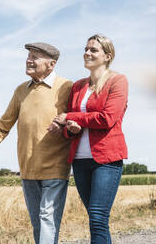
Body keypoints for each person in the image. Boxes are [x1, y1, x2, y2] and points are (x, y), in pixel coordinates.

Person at [0, 42, 73, 244]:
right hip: (28, 168)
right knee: (38, 223)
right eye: (28, 56)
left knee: (47, 219)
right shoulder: (21, 90)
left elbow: (77, 120)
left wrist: (66, 123)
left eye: (35, 57)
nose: (29, 60)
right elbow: (4, 124)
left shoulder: (66, 87)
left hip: (55, 168)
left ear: (51, 64)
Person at [50, 34, 128, 244]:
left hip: (107, 160)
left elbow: (107, 118)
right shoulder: (78, 86)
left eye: (93, 50)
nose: (87, 53)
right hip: (80, 160)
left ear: (107, 55)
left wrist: (71, 117)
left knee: (97, 217)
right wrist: (70, 128)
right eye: (86, 49)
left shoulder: (117, 81)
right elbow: (70, 126)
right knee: (96, 219)